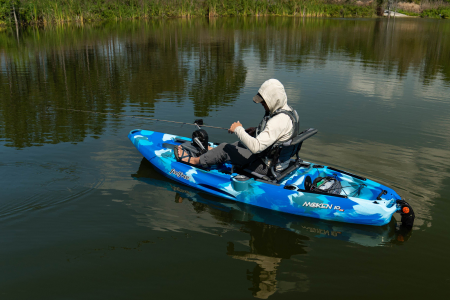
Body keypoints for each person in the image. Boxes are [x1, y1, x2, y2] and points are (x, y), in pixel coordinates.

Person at [176, 79, 299, 175]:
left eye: (264, 101)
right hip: (279, 162)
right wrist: (256, 130)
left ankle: (193, 161)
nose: (261, 103)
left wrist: (238, 129)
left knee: (225, 148)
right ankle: (211, 152)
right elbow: (278, 133)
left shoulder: (277, 121)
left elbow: (256, 148)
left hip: (266, 167)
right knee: (239, 144)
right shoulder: (290, 113)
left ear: (273, 99)